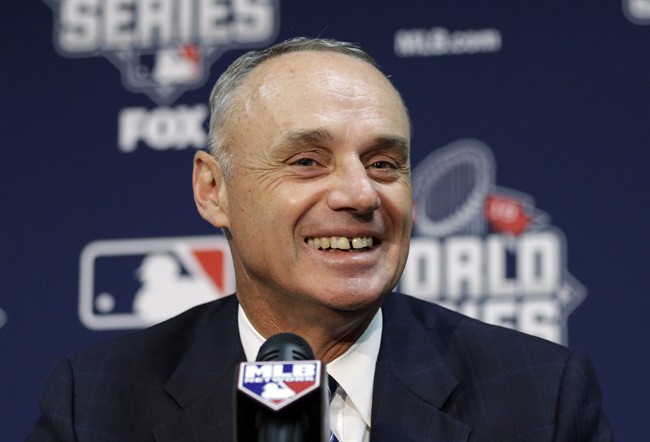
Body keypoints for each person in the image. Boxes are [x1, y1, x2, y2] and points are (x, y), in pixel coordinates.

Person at [28, 37, 612, 441]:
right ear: (213, 190)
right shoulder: (99, 403)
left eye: (384, 163)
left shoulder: (540, 399)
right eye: (307, 161)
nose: (360, 195)